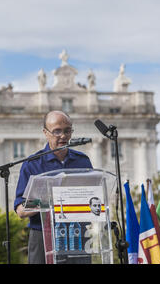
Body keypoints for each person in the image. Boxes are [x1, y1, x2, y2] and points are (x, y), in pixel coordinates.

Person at [14, 110, 93, 264]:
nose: (63, 136)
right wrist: (48, 201)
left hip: (77, 234)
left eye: (67, 131)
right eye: (57, 131)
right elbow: (21, 210)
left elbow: (92, 197)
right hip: (43, 235)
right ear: (45, 132)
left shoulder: (83, 162)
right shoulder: (32, 164)